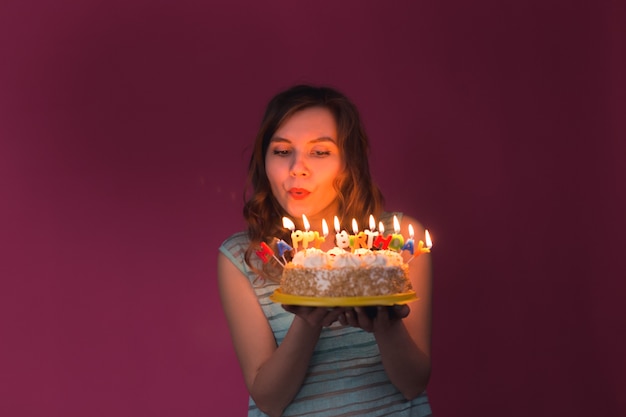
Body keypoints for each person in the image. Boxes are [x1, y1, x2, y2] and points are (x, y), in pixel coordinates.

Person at [217, 85, 433, 417]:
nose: (297, 168)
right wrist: (308, 321)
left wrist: (386, 326)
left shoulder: (399, 243)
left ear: (348, 163)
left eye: (320, 152)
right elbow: (269, 401)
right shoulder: (246, 257)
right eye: (281, 150)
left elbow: (413, 383)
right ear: (264, 161)